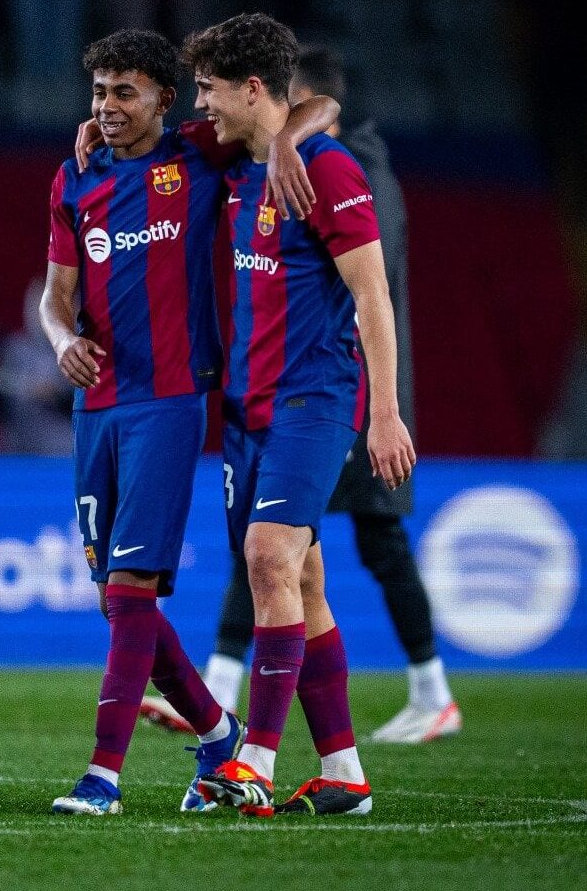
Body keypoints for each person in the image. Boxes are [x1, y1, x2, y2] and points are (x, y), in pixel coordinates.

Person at [44, 28, 338, 816]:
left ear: (165, 100)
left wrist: (288, 146)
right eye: (99, 93)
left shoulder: (197, 156)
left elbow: (318, 104)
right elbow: (53, 297)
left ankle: (103, 777)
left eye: (124, 92)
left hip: (172, 401)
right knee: (118, 598)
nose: (107, 108)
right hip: (94, 404)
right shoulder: (74, 179)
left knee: (133, 590)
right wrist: (62, 339)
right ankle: (217, 733)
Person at [186, 46, 460, 745]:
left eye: (207, 90)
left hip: (324, 394)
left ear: (261, 91)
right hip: (252, 408)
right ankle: (342, 766)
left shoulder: (337, 167)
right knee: (297, 574)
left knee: (277, 555)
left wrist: (386, 410)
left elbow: (374, 291)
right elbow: (317, 106)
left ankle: (252, 750)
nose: (199, 105)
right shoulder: (237, 158)